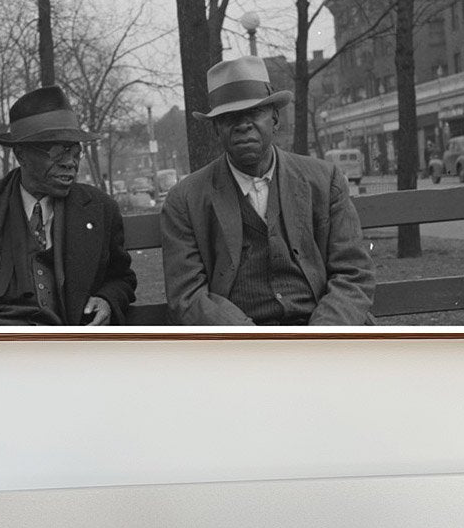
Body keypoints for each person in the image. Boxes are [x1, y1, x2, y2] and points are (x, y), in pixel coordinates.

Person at [161, 57, 375, 326]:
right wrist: (254, 344)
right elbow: (187, 296)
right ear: (216, 128)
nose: (243, 125)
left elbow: (353, 272)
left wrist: (320, 337)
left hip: (319, 332)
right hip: (238, 348)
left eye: (254, 112)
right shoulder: (186, 199)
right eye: (229, 117)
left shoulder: (323, 180)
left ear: (275, 117)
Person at [0, 86, 136, 326]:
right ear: (21, 155)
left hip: (61, 347)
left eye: (76, 152)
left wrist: (107, 300)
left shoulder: (99, 209)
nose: (70, 163)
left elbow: (121, 278)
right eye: (58, 153)